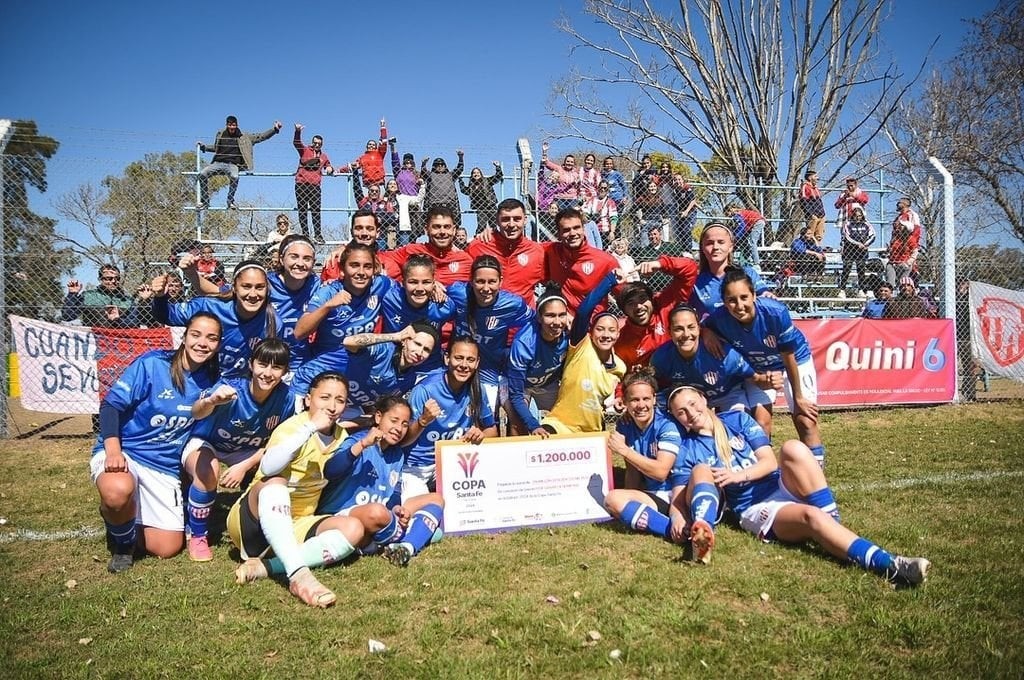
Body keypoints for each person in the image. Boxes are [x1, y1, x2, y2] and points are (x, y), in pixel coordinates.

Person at [666, 385, 930, 584]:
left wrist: (737, 476)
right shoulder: (687, 449)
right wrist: (678, 518)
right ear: (678, 419)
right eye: (681, 412)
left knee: (793, 447)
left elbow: (769, 462)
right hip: (756, 507)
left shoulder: (737, 420)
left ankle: (831, 524)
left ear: (704, 399)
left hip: (779, 484)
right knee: (810, 516)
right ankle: (892, 564)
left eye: (692, 403)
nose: (691, 413)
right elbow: (679, 495)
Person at [92, 312, 222, 573]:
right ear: (184, 337)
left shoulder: (213, 380)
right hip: (127, 451)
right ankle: (123, 543)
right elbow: (111, 406)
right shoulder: (153, 364)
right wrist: (113, 451)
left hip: (163, 465)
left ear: (218, 345)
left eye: (211, 338)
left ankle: (124, 511)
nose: (202, 343)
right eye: (196, 335)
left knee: (166, 548)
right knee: (117, 491)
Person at [228, 372, 362, 608]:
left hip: (299, 523)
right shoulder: (293, 427)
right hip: (254, 522)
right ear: (309, 399)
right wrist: (310, 427)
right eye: (325, 398)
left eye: (340, 400)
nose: (332, 406)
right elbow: (268, 467)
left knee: (354, 528)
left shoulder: (341, 436)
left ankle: (268, 567)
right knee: (275, 481)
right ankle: (300, 576)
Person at [181, 338, 292, 561]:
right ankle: (198, 535)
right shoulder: (230, 389)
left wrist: (244, 466)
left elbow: (279, 443)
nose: (267, 373)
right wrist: (211, 401)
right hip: (208, 442)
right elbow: (196, 413)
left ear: (285, 371)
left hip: (247, 451)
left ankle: (256, 525)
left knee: (277, 472)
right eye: (262, 364)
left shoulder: (286, 398)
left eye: (276, 367)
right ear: (251, 364)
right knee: (209, 470)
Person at [705, 268, 826, 466]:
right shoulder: (719, 319)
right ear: (724, 302)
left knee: (805, 419)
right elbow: (702, 324)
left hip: (794, 362)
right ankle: (765, 475)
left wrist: (799, 398)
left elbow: (788, 356)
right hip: (759, 370)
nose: (739, 305)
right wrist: (706, 332)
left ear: (754, 295)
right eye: (731, 300)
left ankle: (816, 476)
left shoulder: (775, 312)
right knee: (760, 424)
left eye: (744, 297)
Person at [315, 396, 446, 568]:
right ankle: (408, 536)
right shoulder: (358, 440)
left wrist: (397, 509)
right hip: (341, 516)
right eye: (394, 420)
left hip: (381, 516)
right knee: (378, 513)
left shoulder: (397, 453)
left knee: (435, 499)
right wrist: (362, 445)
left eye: (404, 424)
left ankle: (406, 547)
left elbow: (394, 493)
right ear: (378, 417)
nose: (398, 429)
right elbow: (330, 470)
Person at [292, 242, 394, 405]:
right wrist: (328, 306)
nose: (361, 272)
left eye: (367, 266)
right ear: (342, 269)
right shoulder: (329, 292)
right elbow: (299, 332)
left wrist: (434, 285)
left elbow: (410, 291)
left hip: (358, 368)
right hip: (325, 366)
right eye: (354, 265)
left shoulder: (381, 285)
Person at [401, 336, 498, 496]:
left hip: (453, 463)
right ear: (447, 358)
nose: (464, 365)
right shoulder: (425, 390)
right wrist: (422, 421)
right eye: (458, 358)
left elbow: (491, 430)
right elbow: (403, 441)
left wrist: (480, 435)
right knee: (422, 509)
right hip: (417, 466)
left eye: (470, 360)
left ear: (477, 363)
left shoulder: (477, 389)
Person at [151, 260, 278, 378]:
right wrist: (160, 297)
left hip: (235, 387)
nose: (253, 294)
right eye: (246, 286)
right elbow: (166, 315)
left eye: (260, 287)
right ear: (234, 288)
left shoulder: (273, 323)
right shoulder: (208, 306)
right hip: (195, 381)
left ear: (267, 289)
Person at [447, 255, 535, 413]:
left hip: (488, 372)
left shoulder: (512, 304)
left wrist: (519, 349)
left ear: (500, 281)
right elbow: (433, 295)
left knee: (485, 418)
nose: (486, 288)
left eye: (492, 282)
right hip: (456, 367)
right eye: (480, 281)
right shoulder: (458, 293)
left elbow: (535, 322)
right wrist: (435, 287)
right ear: (471, 281)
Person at [541, 270, 625, 434]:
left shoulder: (620, 367)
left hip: (592, 430)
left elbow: (617, 389)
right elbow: (583, 312)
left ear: (618, 334)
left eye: (611, 330)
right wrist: (609, 281)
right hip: (560, 425)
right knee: (542, 439)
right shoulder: (581, 345)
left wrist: (620, 398)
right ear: (591, 332)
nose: (606, 335)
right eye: (600, 329)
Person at [649, 304, 773, 413]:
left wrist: (768, 380)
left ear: (699, 328)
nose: (686, 334)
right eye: (678, 329)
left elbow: (754, 378)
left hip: (728, 395)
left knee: (739, 426)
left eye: (691, 327)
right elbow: (652, 386)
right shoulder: (661, 357)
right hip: (691, 402)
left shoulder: (723, 353)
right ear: (669, 332)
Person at [602, 370, 683, 536]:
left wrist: (625, 451)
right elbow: (632, 470)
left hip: (677, 494)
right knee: (613, 500)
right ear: (625, 402)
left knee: (614, 499)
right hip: (653, 494)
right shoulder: (625, 425)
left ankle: (674, 530)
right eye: (634, 400)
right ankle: (671, 528)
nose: (641, 405)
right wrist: (627, 498)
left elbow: (661, 472)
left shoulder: (667, 425)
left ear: (654, 399)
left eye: (646, 399)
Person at [337, 323, 441, 420]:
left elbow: (378, 409)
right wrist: (396, 336)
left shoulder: (410, 379)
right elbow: (348, 342)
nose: (420, 352)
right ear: (404, 341)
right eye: (417, 344)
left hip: (350, 410)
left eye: (426, 350)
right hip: (332, 390)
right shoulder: (383, 351)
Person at [505, 283, 571, 436]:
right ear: (539, 318)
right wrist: (533, 425)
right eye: (550, 315)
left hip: (549, 384)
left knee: (568, 418)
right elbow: (516, 395)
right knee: (517, 423)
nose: (557, 322)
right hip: (523, 386)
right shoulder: (524, 343)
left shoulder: (569, 334)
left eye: (561, 315)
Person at [615, 254, 698, 370]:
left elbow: (690, 268)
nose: (639, 306)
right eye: (631, 303)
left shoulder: (666, 308)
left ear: (652, 300)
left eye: (642, 299)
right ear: (623, 310)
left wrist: (659, 264)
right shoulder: (622, 339)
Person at [380, 255, 457, 374]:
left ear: (433, 283)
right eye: (413, 282)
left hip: (429, 369)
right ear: (403, 282)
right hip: (391, 365)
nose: (420, 288)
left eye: (426, 282)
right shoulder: (389, 297)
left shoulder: (444, 306)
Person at [467, 198, 546, 306]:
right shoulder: (478, 247)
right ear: (497, 220)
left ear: (525, 220)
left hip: (523, 315)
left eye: (517, 219)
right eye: (505, 219)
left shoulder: (536, 251)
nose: (511, 224)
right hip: (487, 314)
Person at [689, 222, 773, 321]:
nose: (715, 247)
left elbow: (765, 296)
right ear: (702, 248)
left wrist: (767, 297)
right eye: (709, 243)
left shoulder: (747, 274)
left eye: (721, 242)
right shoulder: (695, 282)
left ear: (730, 247)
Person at [543, 207, 620, 314]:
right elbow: (525, 248)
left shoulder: (606, 261)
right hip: (562, 321)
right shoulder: (550, 251)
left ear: (584, 230)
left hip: (594, 322)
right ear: (558, 234)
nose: (572, 233)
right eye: (566, 230)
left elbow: (625, 295)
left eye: (576, 228)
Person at [197, 116, 282, 209]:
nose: (232, 127)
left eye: (234, 125)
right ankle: (205, 201)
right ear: (226, 125)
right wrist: (204, 147)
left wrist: (274, 129)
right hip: (218, 162)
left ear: (237, 125)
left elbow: (261, 136)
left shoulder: (244, 136)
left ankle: (230, 201)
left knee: (235, 176)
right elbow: (216, 148)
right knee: (203, 173)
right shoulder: (221, 134)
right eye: (230, 125)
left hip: (232, 164)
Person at [266, 234, 321, 373]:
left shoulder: (318, 286)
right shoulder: (265, 284)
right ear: (281, 259)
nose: (300, 263)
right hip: (268, 361)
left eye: (307, 258)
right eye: (294, 257)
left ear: (313, 262)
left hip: (302, 363)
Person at [381, 205, 473, 285]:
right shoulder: (411, 251)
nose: (442, 232)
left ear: (454, 230)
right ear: (426, 230)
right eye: (436, 227)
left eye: (447, 227)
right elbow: (379, 258)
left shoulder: (465, 260)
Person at [62, 264, 137, 328]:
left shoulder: (127, 300)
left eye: (117, 278)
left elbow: (135, 322)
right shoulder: (89, 296)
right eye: (109, 278)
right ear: (100, 279)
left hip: (119, 338)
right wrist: (72, 294)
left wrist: (118, 320)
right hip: (93, 338)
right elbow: (67, 316)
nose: (114, 281)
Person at [293, 123, 333, 242]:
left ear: (322, 145)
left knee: (316, 210)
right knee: (302, 210)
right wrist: (298, 131)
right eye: (315, 143)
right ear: (312, 142)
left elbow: (328, 165)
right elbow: (296, 143)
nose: (317, 145)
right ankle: (305, 234)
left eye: (319, 144)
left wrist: (330, 168)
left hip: (315, 186)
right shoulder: (305, 150)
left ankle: (318, 235)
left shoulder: (324, 156)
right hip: (301, 184)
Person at [337, 119, 390, 188]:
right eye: (369, 144)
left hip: (379, 184)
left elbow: (384, 142)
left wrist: (383, 127)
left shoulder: (380, 154)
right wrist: (339, 170)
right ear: (366, 146)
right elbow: (353, 166)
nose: (371, 146)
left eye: (373, 145)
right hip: (367, 185)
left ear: (376, 146)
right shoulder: (362, 158)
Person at [837, 205, 876, 297]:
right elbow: (847, 236)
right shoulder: (848, 224)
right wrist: (857, 243)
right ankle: (842, 290)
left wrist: (866, 244)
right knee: (847, 269)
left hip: (862, 251)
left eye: (859, 216)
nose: (858, 218)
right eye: (856, 216)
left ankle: (861, 290)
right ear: (853, 215)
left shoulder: (866, 224)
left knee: (861, 270)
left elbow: (873, 235)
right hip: (849, 251)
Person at [421, 151, 465, 227]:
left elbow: (459, 169)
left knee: (449, 224)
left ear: (445, 166)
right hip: (435, 204)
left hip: (449, 204)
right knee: (436, 224)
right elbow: (423, 172)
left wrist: (460, 157)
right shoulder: (431, 175)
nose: (440, 166)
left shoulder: (450, 175)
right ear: (434, 166)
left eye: (442, 165)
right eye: (437, 165)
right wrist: (424, 164)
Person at [886, 197, 922, 285]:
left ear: (906, 204)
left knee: (910, 271)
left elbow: (916, 230)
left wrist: (911, 243)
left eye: (900, 202)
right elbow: (894, 232)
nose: (898, 204)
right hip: (897, 246)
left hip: (907, 248)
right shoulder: (899, 217)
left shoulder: (912, 215)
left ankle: (913, 285)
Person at [459, 162, 503, 232]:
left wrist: (497, 167)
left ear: (481, 174)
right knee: (481, 226)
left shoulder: (487, 181)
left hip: (490, 206)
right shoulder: (472, 186)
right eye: (474, 173)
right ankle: (479, 237)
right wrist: (460, 181)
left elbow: (498, 176)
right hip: (480, 208)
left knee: (493, 225)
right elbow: (464, 190)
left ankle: (495, 238)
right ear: (472, 175)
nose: (476, 174)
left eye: (478, 172)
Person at [724, 204, 767, 270]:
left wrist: (736, 237)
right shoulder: (741, 213)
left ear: (730, 210)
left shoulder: (737, 215)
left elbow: (741, 227)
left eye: (727, 214)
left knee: (752, 241)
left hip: (757, 222)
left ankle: (756, 262)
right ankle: (747, 259)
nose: (728, 216)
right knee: (744, 241)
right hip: (754, 224)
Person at [541, 143, 581, 209]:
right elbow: (546, 163)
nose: (569, 163)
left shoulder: (576, 173)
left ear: (574, 163)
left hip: (572, 199)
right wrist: (544, 152)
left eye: (571, 162)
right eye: (568, 161)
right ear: (565, 162)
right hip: (560, 198)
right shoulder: (559, 169)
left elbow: (579, 186)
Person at [581, 180, 619, 245]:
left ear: (608, 190)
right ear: (598, 188)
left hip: (605, 230)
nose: (603, 190)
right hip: (592, 230)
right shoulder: (592, 200)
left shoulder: (610, 202)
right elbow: (585, 213)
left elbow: (614, 218)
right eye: (601, 188)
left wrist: (612, 232)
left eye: (605, 188)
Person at [799, 170, 827, 243]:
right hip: (813, 215)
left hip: (821, 214)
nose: (817, 178)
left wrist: (823, 214)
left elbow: (819, 202)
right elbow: (803, 201)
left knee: (819, 235)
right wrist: (810, 214)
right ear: (810, 177)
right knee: (810, 234)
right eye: (815, 176)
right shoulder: (805, 186)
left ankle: (817, 246)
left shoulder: (816, 188)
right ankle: (808, 246)